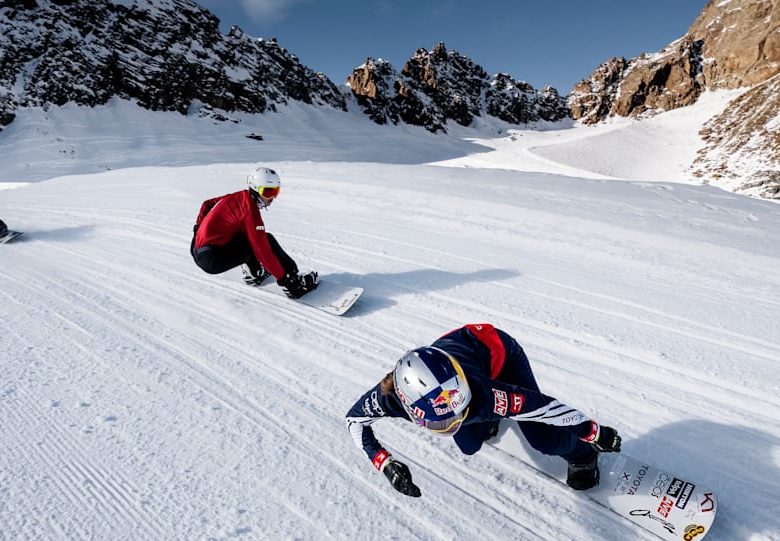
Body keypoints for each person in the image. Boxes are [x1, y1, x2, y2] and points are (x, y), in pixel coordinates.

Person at [345, 323, 622, 497]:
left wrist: (594, 434)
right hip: (467, 363)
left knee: (545, 440)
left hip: (501, 355)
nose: (457, 420)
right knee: (469, 444)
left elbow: (545, 409)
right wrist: (385, 463)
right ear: (409, 408)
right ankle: (488, 421)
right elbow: (353, 421)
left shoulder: (484, 395)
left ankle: (582, 454)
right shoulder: (389, 398)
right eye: (445, 422)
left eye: (461, 410)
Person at [192, 166, 319, 299]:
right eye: (268, 192)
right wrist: (284, 279)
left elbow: (207, 204)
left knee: (247, 235)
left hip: (197, 248)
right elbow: (263, 251)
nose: (272, 198)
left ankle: (255, 272)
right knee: (264, 240)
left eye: (276, 192)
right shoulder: (250, 212)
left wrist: (198, 231)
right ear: (255, 190)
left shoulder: (240, 196)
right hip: (212, 260)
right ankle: (294, 284)